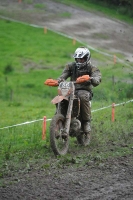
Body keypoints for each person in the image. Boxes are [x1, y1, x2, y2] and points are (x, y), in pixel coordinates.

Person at [57, 46, 101, 138]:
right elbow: (63, 75)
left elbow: (97, 78)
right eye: (78, 59)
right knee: (60, 98)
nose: (80, 61)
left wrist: (92, 78)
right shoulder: (71, 66)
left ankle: (86, 122)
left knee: (82, 96)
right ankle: (58, 121)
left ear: (87, 58)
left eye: (82, 59)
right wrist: (59, 80)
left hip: (84, 90)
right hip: (71, 89)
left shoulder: (92, 68)